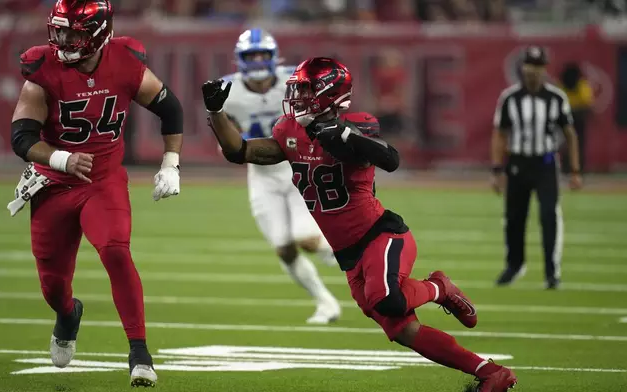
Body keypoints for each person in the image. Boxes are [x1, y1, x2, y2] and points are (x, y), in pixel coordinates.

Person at [203, 57, 517, 392]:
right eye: (297, 88)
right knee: (402, 331)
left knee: (388, 299)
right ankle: (490, 372)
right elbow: (241, 152)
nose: (297, 96)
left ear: (329, 93)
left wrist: (347, 137)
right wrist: (217, 113)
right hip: (349, 255)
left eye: (306, 89)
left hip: (381, 235)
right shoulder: (289, 130)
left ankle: (439, 287)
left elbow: (390, 159)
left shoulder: (357, 124)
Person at [7, 0, 184, 387]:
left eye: (74, 32)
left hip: (102, 182)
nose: (64, 39)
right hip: (53, 185)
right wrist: (60, 158)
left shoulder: (124, 60)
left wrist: (170, 162)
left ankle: (140, 352)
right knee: (53, 286)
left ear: (100, 34)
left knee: (116, 251)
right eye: (60, 30)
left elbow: (170, 108)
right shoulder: (43, 68)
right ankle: (68, 314)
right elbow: (22, 136)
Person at [219, 28, 340, 324]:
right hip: (260, 174)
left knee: (307, 238)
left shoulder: (296, 83)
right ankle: (326, 302)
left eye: (263, 55)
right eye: (252, 55)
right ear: (240, 59)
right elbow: (225, 137)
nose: (258, 61)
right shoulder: (227, 91)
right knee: (284, 248)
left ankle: (362, 261)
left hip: (297, 167)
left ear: (274, 57)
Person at [491, 46, 582, 289]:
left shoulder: (556, 97)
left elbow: (569, 133)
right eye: (529, 65)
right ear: (522, 67)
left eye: (538, 66)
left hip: (545, 164)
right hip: (518, 163)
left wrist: (574, 170)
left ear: (544, 68)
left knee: (549, 216)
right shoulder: (510, 98)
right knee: (514, 218)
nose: (532, 70)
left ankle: (552, 272)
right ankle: (514, 265)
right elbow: (500, 134)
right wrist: (497, 170)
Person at [559, 62, 593, 174]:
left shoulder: (582, 85)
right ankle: (566, 168)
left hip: (578, 119)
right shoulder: (561, 86)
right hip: (564, 119)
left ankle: (578, 169)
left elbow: (587, 104)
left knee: (578, 143)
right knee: (565, 145)